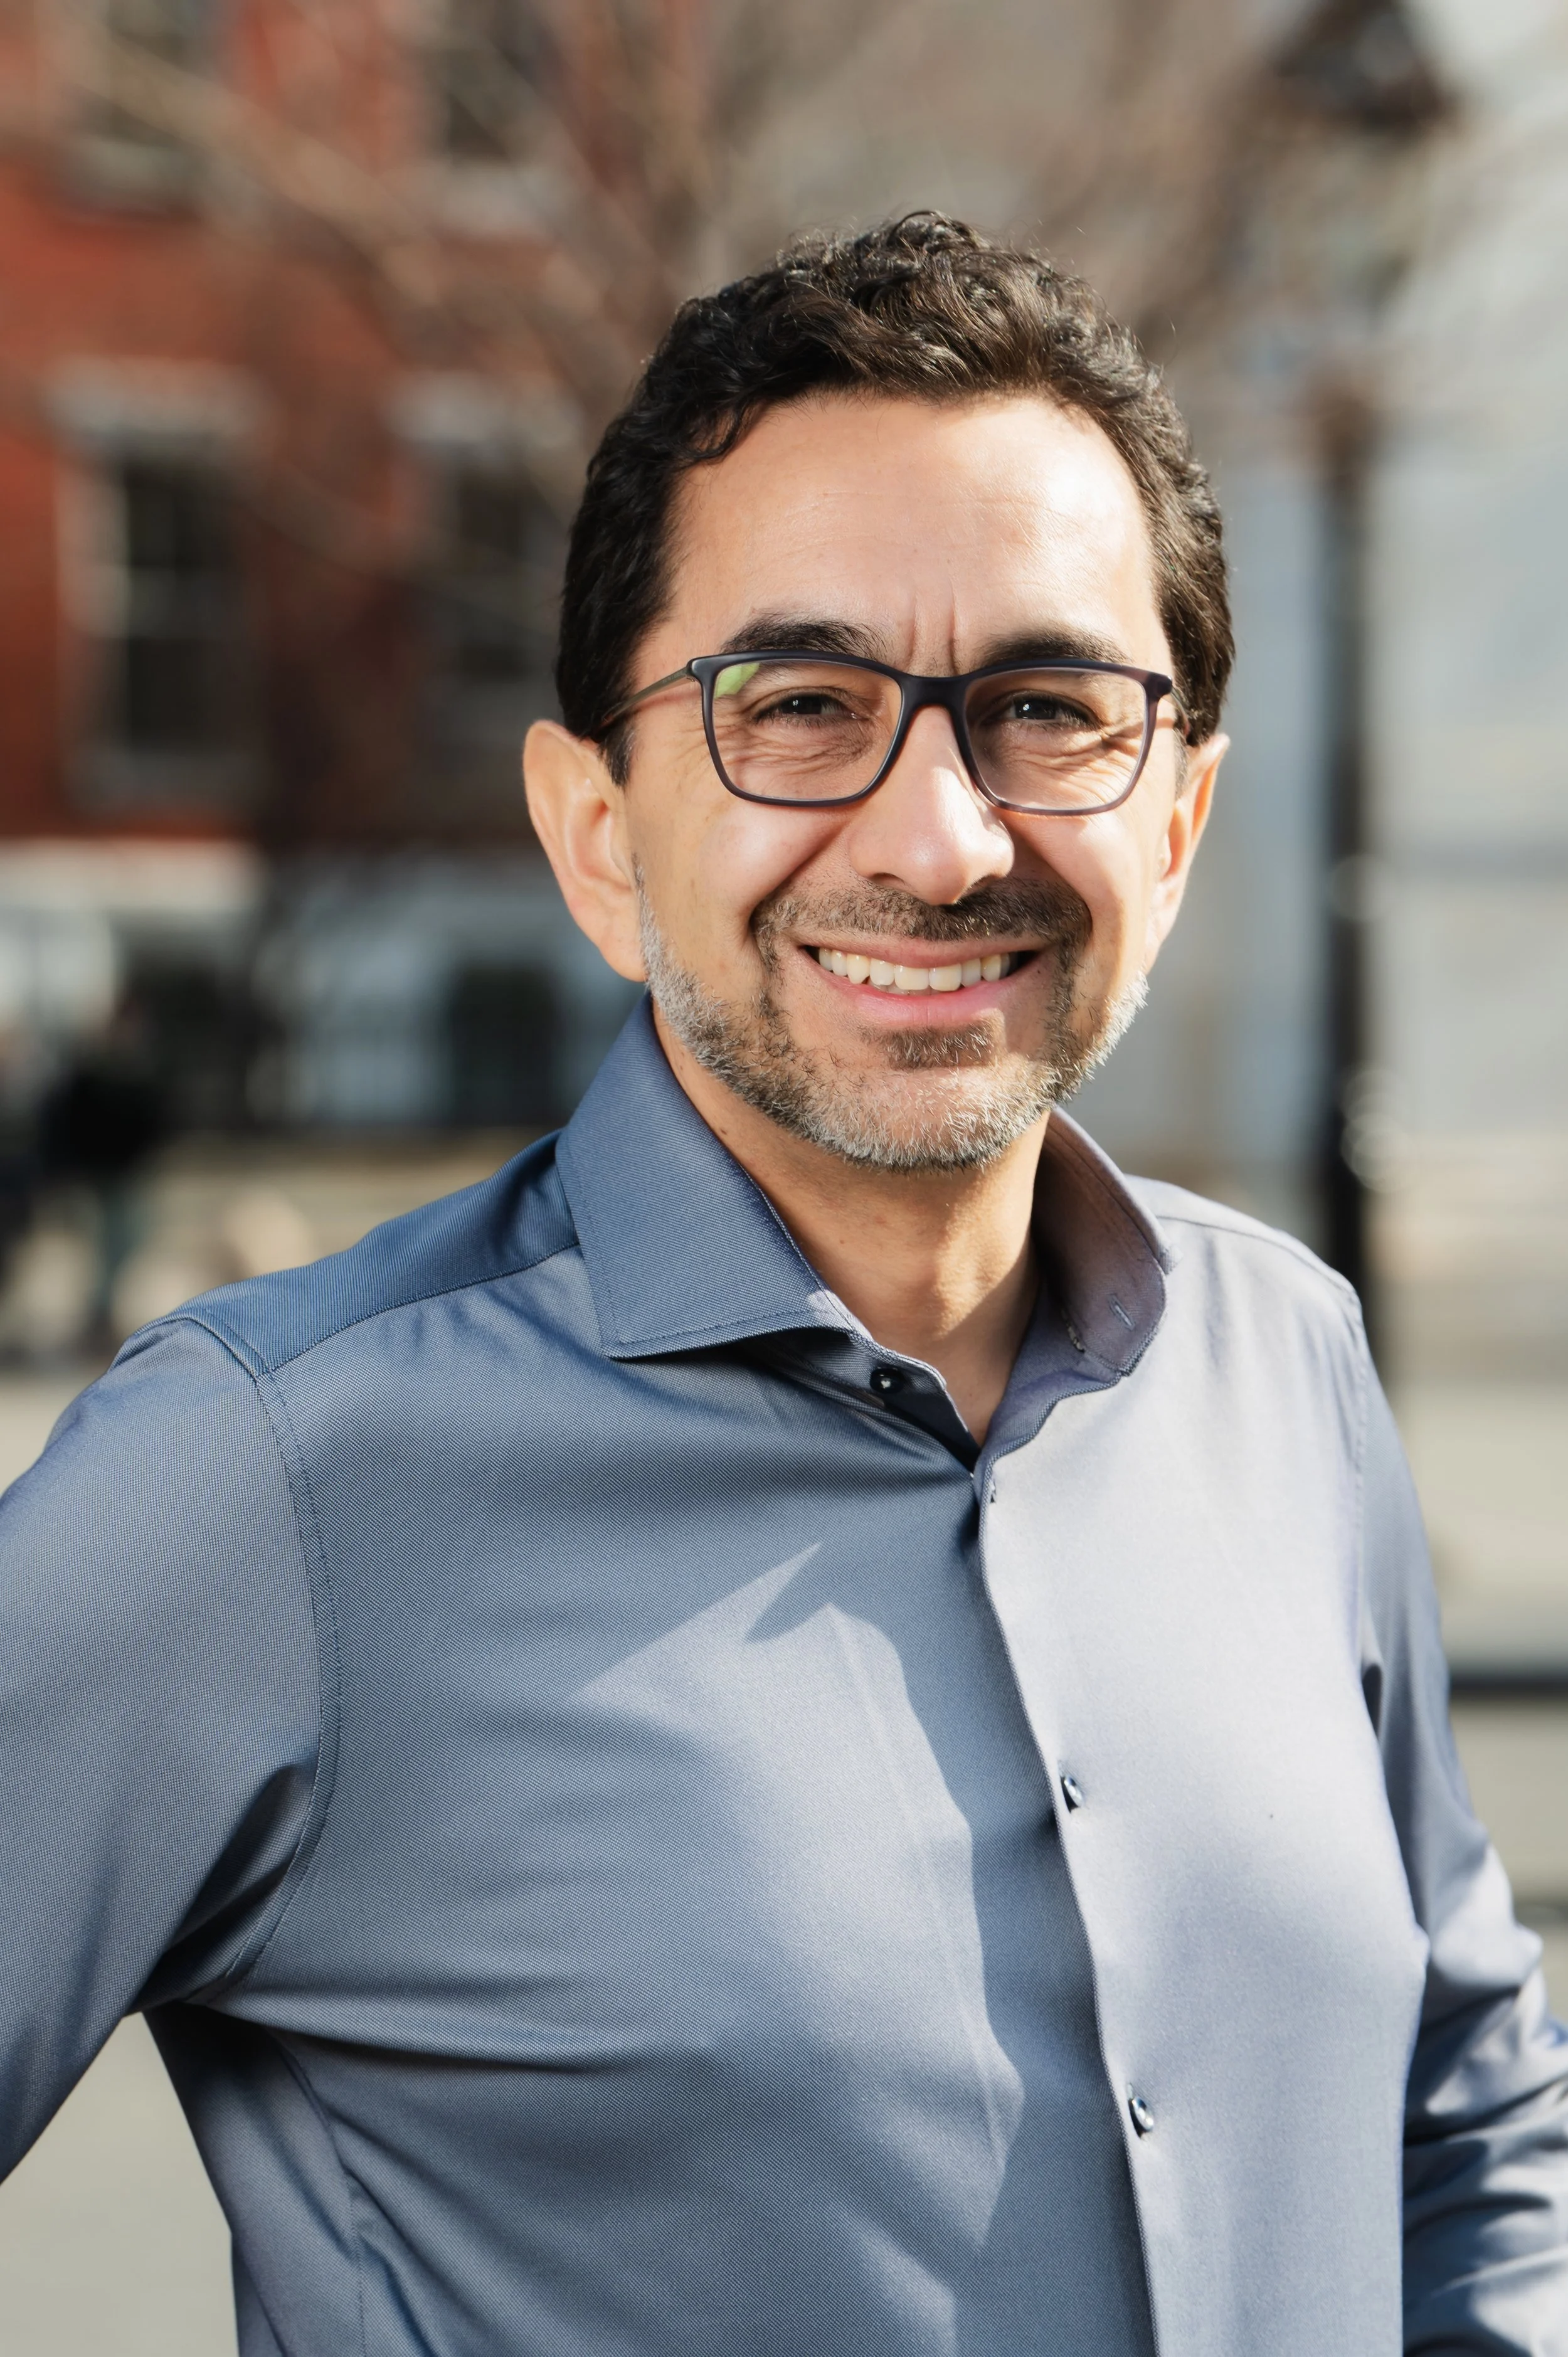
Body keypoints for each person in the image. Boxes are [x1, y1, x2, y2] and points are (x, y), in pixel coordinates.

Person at [1, 215, 1564, 2357]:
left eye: (1044, 707)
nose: (937, 835)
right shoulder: (262, 1475)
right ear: (597, 835)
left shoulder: (1281, 1356)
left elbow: (1455, 2119)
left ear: (1179, 819)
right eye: (800, 705)